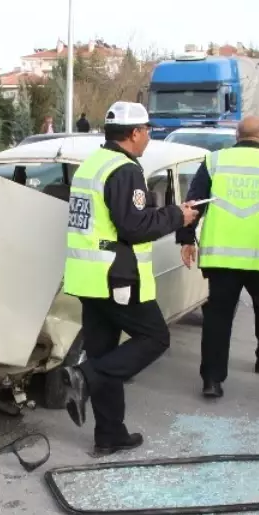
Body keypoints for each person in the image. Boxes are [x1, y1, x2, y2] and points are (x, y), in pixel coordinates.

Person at [60, 101, 197, 452]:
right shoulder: (125, 170)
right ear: (135, 133)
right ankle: (84, 377)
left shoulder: (93, 165)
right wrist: (174, 217)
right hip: (116, 277)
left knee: (106, 353)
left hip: (90, 278)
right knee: (154, 338)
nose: (149, 136)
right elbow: (133, 227)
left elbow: (115, 218)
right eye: (148, 129)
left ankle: (109, 435)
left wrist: (158, 212)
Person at [177, 116, 259, 397]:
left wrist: (186, 239)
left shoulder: (215, 161)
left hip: (220, 257)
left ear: (236, 137)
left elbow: (193, 202)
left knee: (218, 317)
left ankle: (212, 380)